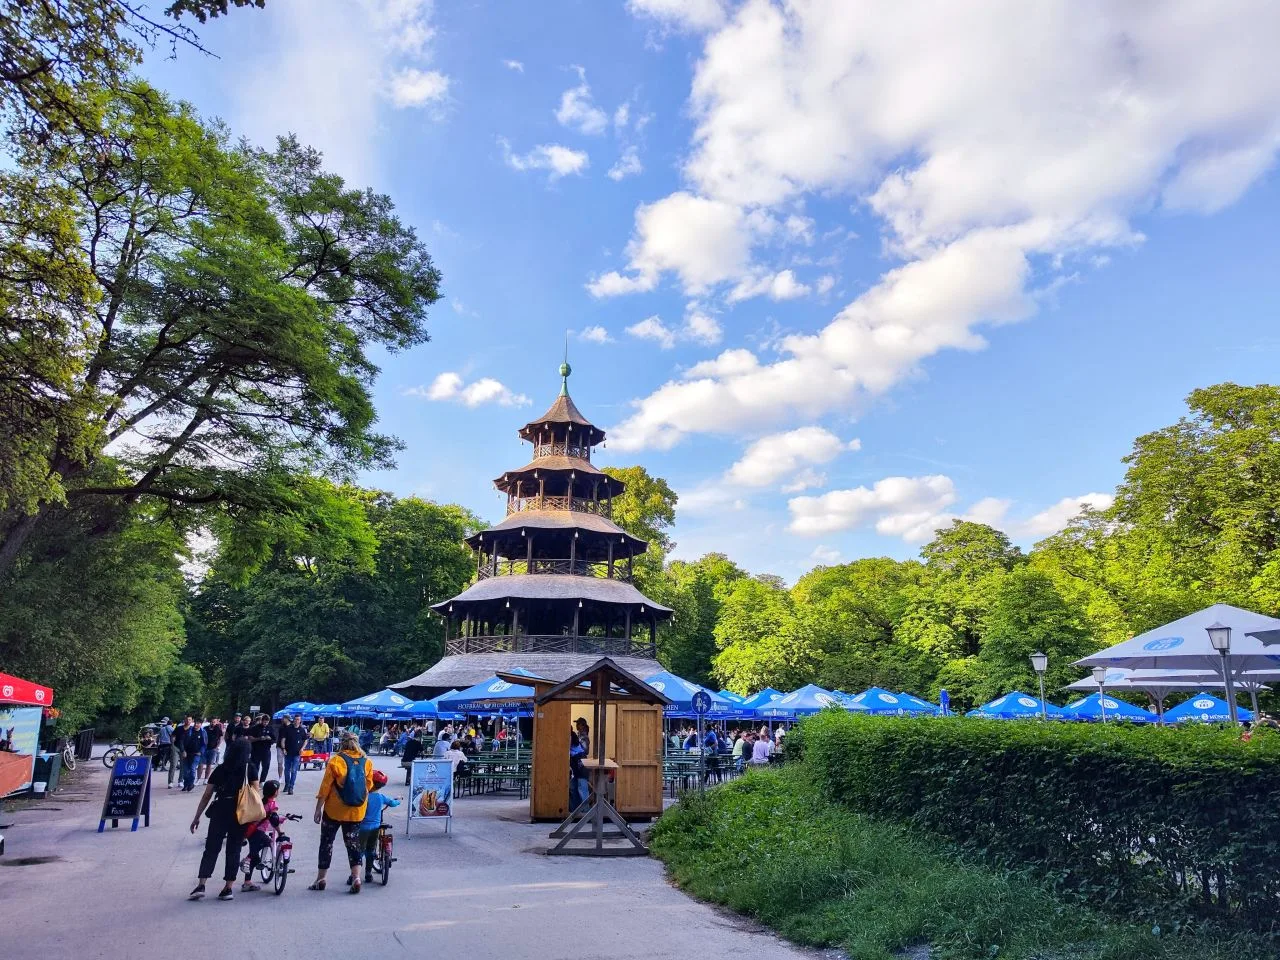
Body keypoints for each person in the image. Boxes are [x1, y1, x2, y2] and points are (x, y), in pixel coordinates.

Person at [188, 739, 257, 901]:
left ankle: (201, 884)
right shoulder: (250, 768)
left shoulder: (220, 769)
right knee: (233, 849)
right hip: (240, 812)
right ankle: (228, 888)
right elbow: (255, 792)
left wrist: (197, 817)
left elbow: (207, 795)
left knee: (211, 847)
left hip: (220, 809)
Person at [310, 731, 374, 894]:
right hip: (356, 811)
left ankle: (321, 878)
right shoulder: (366, 762)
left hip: (334, 810)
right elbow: (369, 786)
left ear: (342, 743)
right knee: (353, 844)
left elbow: (325, 788)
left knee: (326, 842)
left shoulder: (336, 761)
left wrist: (318, 808)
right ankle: (356, 877)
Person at [357, 770, 400, 884]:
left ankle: (354, 876)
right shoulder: (381, 797)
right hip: (375, 827)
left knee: (360, 851)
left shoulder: (364, 796)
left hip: (363, 828)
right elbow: (393, 803)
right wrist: (397, 800)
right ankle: (368, 874)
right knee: (371, 850)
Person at [242, 779, 283, 892]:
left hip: (250, 831)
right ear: (275, 792)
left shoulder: (261, 801)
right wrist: (280, 832)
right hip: (258, 832)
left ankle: (247, 880)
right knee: (268, 843)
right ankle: (247, 861)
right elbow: (274, 820)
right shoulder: (272, 805)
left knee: (255, 856)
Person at [279, 714, 307, 795]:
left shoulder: (302, 730)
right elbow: (283, 739)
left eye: (298, 719)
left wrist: (302, 748)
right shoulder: (288, 729)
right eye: (295, 719)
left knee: (294, 770)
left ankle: (291, 786)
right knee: (287, 770)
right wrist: (283, 748)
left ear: (300, 720)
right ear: (293, 720)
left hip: (297, 753)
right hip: (288, 752)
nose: (296, 721)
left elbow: (305, 740)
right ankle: (287, 784)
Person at [178, 716, 207, 792]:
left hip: (196, 754)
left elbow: (204, 744)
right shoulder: (189, 730)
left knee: (192, 768)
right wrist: (183, 750)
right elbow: (181, 741)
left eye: (198, 723)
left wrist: (201, 752)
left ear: (201, 724)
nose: (196, 725)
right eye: (195, 723)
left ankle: (191, 784)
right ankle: (186, 784)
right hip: (186, 753)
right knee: (185, 770)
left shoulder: (203, 732)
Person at [249, 714, 273, 784]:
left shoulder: (270, 728)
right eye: (264, 722)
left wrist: (269, 738)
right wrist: (259, 738)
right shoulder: (255, 728)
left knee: (266, 766)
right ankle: (254, 780)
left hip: (266, 750)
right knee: (255, 766)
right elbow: (250, 739)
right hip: (256, 750)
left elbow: (274, 739)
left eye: (267, 722)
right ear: (261, 721)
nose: (265, 723)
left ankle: (262, 781)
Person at [568, 732, 588, 810]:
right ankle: (575, 810)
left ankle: (586, 811)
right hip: (576, 768)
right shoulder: (574, 747)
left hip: (580, 766)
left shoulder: (576, 747)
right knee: (573, 787)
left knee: (582, 789)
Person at [201, 718, 224, 784]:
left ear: (216, 722)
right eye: (211, 722)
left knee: (209, 764)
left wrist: (216, 747)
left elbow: (220, 739)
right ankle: (198, 779)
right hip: (204, 748)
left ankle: (206, 779)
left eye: (214, 722)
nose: (212, 723)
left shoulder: (218, 729)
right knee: (201, 764)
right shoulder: (205, 728)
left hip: (213, 749)